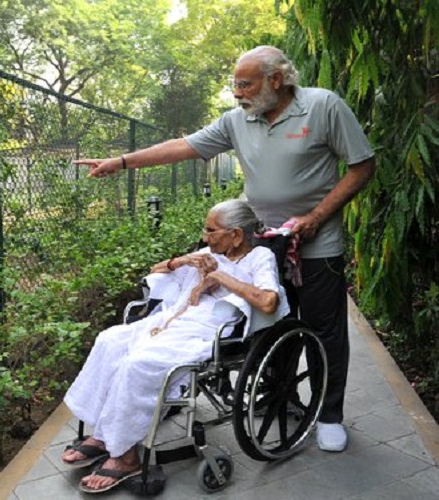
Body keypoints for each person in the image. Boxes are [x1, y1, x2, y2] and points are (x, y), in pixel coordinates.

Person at [74, 45, 375, 453]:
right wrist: (122, 162)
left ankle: (329, 415)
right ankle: (284, 399)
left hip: (318, 244)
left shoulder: (323, 107)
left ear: (276, 79)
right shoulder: (238, 121)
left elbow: (362, 166)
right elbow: (183, 146)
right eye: (235, 85)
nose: (237, 93)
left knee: (325, 331)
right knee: (271, 326)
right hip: (265, 245)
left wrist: (317, 217)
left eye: (244, 84)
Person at [62, 199, 289, 493]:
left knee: (137, 364)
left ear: (236, 235)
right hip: (173, 317)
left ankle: (125, 456)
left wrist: (222, 278)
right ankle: (105, 436)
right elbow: (156, 270)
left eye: (211, 231)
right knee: (109, 341)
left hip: (207, 330)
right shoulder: (208, 252)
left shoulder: (260, 257)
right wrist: (182, 261)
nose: (205, 237)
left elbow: (269, 302)